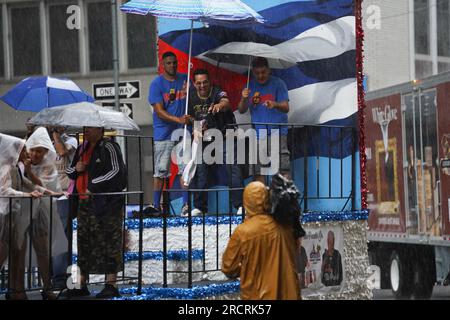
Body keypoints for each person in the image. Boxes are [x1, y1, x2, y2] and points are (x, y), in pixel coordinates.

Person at [65, 126, 127, 299]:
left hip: (106, 204)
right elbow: (70, 172)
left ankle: (111, 284)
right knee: (83, 241)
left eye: (90, 128)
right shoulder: (81, 148)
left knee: (110, 240)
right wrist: (77, 168)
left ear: (100, 129)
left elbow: (116, 171)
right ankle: (81, 284)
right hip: (84, 203)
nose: (86, 130)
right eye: (85, 127)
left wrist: (93, 186)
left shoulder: (110, 147)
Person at [222, 181, 300, 300]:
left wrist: (246, 267)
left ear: (246, 202)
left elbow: (228, 267)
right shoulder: (285, 226)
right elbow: (295, 251)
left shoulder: (243, 232)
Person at [184, 68, 243, 216]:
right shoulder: (190, 98)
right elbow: (192, 118)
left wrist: (219, 106)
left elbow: (226, 102)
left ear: (210, 82)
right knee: (200, 169)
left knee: (232, 168)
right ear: (194, 83)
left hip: (225, 135)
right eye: (198, 83)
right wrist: (195, 127)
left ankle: (240, 206)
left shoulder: (217, 91)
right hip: (205, 138)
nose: (202, 86)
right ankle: (199, 208)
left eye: (205, 82)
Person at [24, 127, 68, 299]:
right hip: (20, 210)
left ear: (45, 152)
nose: (35, 154)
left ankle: (47, 286)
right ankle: (17, 287)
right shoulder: (20, 162)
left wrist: (28, 171)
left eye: (39, 151)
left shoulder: (48, 166)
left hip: (41, 211)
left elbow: (42, 185)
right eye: (33, 150)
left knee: (42, 249)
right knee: (17, 249)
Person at [0, 133, 43, 300]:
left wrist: (46, 191)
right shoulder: (5, 167)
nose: (26, 154)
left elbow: (28, 184)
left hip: (13, 215)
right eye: (22, 150)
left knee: (17, 252)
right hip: (4, 216)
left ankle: (17, 290)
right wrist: (28, 195)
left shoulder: (14, 167)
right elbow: (4, 190)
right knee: (3, 253)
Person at [148, 51, 191, 215]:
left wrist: (189, 93)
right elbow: (159, 111)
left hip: (182, 133)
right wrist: (178, 119)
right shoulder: (156, 84)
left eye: (174, 62)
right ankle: (156, 206)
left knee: (184, 169)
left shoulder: (184, 80)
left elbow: (191, 101)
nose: (172, 65)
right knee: (160, 171)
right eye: (168, 63)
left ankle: (186, 205)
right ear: (162, 64)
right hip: (163, 133)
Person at [237, 57, 290, 182]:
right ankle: (261, 200)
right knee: (258, 171)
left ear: (269, 70)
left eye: (263, 72)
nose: (261, 76)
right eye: (257, 73)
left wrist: (275, 104)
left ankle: (283, 200)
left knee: (282, 170)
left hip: (277, 132)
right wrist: (243, 98)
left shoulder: (278, 83)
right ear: (253, 72)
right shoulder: (249, 86)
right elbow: (241, 110)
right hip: (258, 133)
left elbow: (286, 107)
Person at [48, 126, 78, 289]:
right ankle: (50, 276)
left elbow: (62, 152)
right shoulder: (45, 142)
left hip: (64, 195)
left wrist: (55, 134)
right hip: (46, 194)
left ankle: (60, 279)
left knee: (61, 236)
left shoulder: (71, 140)